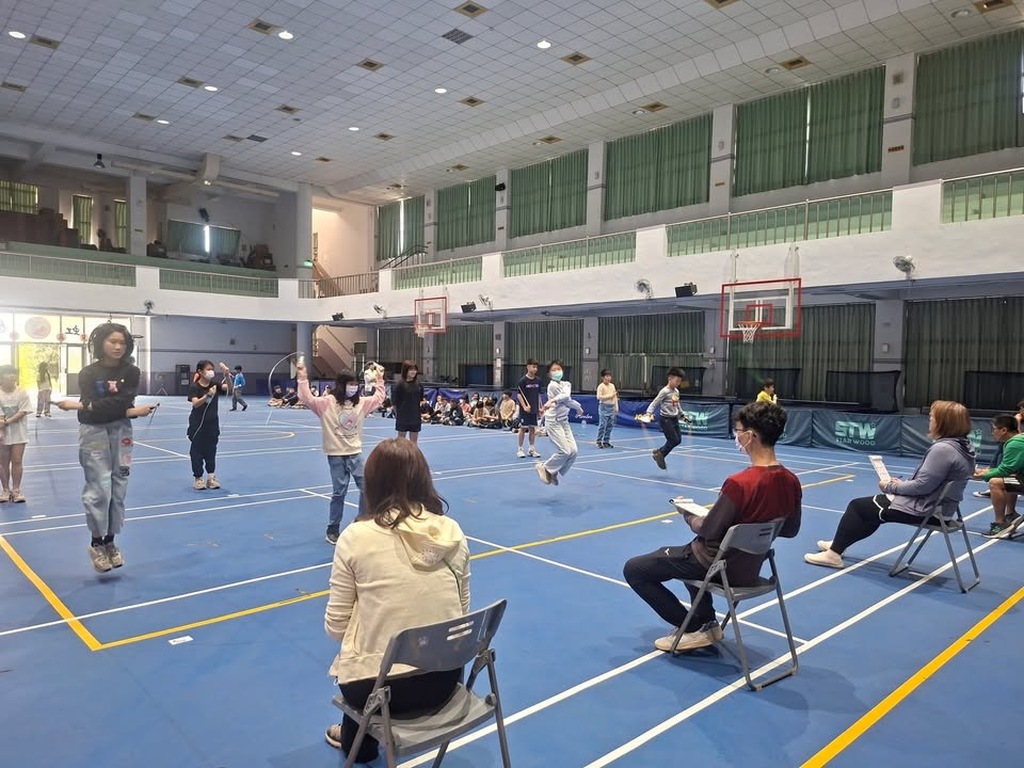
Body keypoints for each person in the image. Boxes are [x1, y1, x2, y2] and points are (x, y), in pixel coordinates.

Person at [323, 438, 470, 763]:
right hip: (444, 680)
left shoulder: (355, 537)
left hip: (378, 692)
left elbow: (336, 628)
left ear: (373, 483)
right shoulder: (453, 532)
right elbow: (462, 612)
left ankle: (358, 743)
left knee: (362, 653)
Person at [624, 401, 801, 652]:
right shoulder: (791, 481)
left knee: (635, 569)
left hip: (717, 566)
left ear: (750, 436)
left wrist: (687, 514)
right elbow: (791, 529)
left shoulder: (740, 483)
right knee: (683, 554)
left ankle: (693, 626)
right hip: (751, 567)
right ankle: (708, 621)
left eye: (739, 431)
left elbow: (708, 530)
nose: (737, 436)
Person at [805, 400, 976, 569]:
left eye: (932, 417)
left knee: (858, 507)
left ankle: (834, 554)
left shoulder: (943, 449)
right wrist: (903, 484)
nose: (929, 421)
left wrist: (890, 487)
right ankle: (839, 543)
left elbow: (921, 486)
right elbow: (930, 483)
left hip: (927, 510)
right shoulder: (964, 448)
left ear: (944, 422)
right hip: (943, 509)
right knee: (871, 510)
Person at [56, 323, 157, 573]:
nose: (118, 346)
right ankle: (96, 544)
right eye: (113, 341)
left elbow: (121, 402)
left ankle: (110, 542)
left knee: (119, 487)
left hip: (121, 431)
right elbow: (101, 408)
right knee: (100, 488)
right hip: (94, 432)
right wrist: (126, 410)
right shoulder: (88, 372)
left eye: (122, 342)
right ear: (101, 342)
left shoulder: (131, 371)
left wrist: (84, 406)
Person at [297, 360, 385, 544]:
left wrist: (380, 379)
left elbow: (378, 398)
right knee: (339, 492)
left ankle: (363, 520)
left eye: (355, 384)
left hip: (355, 452)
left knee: (367, 487)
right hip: (336, 454)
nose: (353, 387)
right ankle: (333, 529)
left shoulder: (361, 403)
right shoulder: (327, 403)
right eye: (350, 384)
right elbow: (307, 398)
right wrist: (302, 376)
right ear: (341, 384)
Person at [536, 360, 585, 486]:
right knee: (565, 451)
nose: (557, 371)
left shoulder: (566, 384)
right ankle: (545, 467)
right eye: (554, 370)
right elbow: (566, 399)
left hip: (564, 421)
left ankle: (554, 472)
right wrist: (577, 407)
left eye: (559, 369)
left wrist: (553, 400)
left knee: (573, 451)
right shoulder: (552, 386)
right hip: (553, 422)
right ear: (549, 374)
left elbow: (566, 395)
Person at [974, 414, 1024, 538]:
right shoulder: (1018, 440)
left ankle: (1000, 524)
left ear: (1004, 430)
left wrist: (983, 476)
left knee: (995, 482)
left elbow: (1005, 470)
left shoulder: (1015, 444)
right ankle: (1011, 514)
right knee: (1010, 477)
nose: (992, 433)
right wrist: (987, 471)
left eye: (994, 429)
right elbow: (1008, 468)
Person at [187, 360, 232, 490]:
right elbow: (195, 403)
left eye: (212, 369)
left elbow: (229, 389)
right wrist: (208, 395)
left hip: (212, 425)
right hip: (197, 425)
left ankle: (211, 478)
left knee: (211, 451)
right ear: (200, 371)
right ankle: (198, 478)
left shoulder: (215, 385)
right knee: (196, 452)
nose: (211, 371)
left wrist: (227, 375)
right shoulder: (194, 387)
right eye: (208, 369)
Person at [645, 367, 691, 470]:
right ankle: (660, 454)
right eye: (677, 381)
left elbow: (677, 405)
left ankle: (659, 453)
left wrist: (683, 416)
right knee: (673, 440)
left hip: (674, 418)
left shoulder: (676, 391)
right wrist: (648, 413)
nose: (678, 383)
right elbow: (655, 402)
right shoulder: (664, 391)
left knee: (678, 440)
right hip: (666, 419)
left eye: (680, 381)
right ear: (670, 378)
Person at [0, 365, 31, 502]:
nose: (12, 376)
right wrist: (1, 429)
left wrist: (7, 421)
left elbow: (23, 411)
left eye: (13, 373)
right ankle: (5, 490)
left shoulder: (22, 392)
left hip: (19, 432)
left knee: (17, 460)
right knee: (3, 463)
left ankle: (16, 490)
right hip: (2, 433)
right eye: (8, 373)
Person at [516, 359, 543, 458]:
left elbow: (538, 395)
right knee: (523, 428)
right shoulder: (523, 381)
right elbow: (519, 395)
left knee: (532, 428)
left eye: (536, 367)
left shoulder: (538, 380)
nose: (535, 369)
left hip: (534, 409)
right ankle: (520, 449)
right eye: (533, 367)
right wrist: (524, 406)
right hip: (525, 410)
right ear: (528, 367)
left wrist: (540, 407)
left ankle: (531, 449)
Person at [391, 360, 424, 443]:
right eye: (411, 369)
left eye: (415, 370)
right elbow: (394, 403)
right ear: (405, 370)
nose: (413, 372)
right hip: (403, 417)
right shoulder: (399, 385)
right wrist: (398, 416)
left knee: (414, 443)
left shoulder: (419, 385)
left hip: (415, 418)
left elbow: (420, 400)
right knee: (401, 442)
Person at [596, 368, 618, 448]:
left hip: (611, 407)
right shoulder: (601, 386)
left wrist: (616, 407)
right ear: (603, 377)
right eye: (607, 376)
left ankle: (606, 441)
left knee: (610, 425)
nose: (609, 378)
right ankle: (599, 441)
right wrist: (609, 396)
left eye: (609, 376)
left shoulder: (612, 386)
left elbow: (615, 396)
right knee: (602, 425)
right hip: (604, 407)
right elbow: (599, 397)